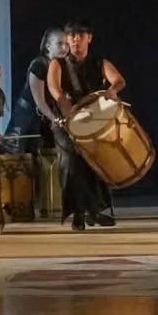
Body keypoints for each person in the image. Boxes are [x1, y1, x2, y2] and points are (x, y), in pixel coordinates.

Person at [46, 19, 125, 231]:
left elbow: (118, 80)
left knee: (96, 161)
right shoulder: (57, 64)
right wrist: (70, 115)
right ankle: (79, 213)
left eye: (80, 35)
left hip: (93, 121)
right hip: (65, 122)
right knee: (72, 162)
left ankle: (94, 210)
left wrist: (112, 90)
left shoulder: (99, 62)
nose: (75, 39)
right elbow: (55, 90)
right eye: (71, 35)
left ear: (89, 38)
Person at [6, 28, 67, 151]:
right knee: (17, 155)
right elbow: (40, 101)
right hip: (27, 116)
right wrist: (54, 118)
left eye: (66, 44)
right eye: (59, 44)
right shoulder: (39, 65)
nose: (64, 48)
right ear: (48, 46)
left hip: (45, 116)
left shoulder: (63, 66)